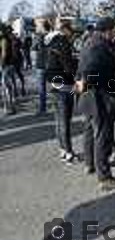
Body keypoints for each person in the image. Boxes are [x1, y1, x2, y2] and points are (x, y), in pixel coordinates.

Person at [75, 17, 115, 191]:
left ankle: (90, 164)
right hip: (99, 98)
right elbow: (89, 69)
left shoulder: (91, 42)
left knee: (89, 130)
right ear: (108, 30)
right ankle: (104, 177)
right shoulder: (99, 46)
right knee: (103, 135)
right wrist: (86, 81)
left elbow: (81, 70)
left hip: (89, 98)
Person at [46, 21, 78, 163]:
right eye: (72, 31)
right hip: (64, 85)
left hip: (53, 85)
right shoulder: (63, 44)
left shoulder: (51, 43)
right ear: (66, 31)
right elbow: (69, 67)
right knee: (65, 121)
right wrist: (76, 63)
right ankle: (69, 151)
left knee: (58, 121)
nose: (73, 35)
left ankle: (62, 149)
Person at [32, 20, 51, 115]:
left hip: (41, 64)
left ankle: (42, 109)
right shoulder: (52, 36)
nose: (37, 27)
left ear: (42, 27)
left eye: (38, 26)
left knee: (42, 88)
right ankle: (58, 106)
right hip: (51, 64)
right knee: (55, 86)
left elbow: (34, 48)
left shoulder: (39, 37)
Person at [0, 23, 17, 116]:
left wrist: (1, 64)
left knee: (6, 87)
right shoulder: (9, 38)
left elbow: (4, 53)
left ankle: (9, 108)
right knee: (9, 86)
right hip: (10, 64)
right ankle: (11, 106)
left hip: (6, 65)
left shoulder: (4, 39)